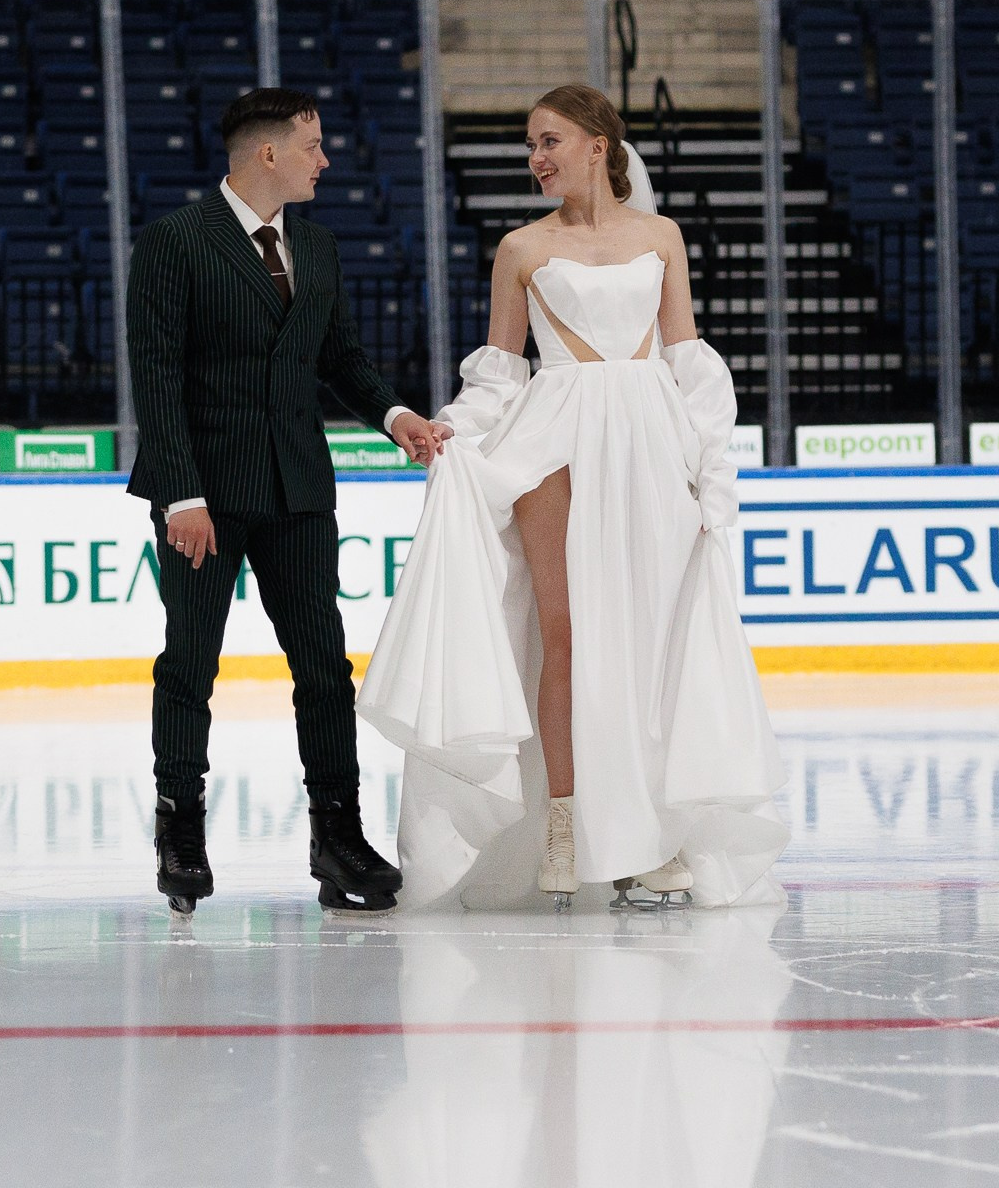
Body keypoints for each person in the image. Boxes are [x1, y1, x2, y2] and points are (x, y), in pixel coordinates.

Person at [358, 84, 786, 910]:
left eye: (549, 140)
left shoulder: (661, 237)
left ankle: (647, 835)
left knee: (649, 640)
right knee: (565, 636)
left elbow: (686, 354)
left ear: (598, 144)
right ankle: (565, 827)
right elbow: (500, 370)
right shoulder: (521, 247)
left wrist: (711, 470)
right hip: (552, 436)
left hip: (652, 442)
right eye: (530, 145)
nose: (536, 158)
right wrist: (452, 430)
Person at [126, 86, 450, 915]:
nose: (324, 159)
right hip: (205, 495)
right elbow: (156, 378)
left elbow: (336, 355)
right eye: (312, 145)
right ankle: (180, 829)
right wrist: (179, 494)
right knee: (191, 663)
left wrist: (395, 414)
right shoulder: (175, 242)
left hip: (299, 487)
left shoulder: (318, 246)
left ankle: (338, 834)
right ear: (268, 153)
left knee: (324, 670)